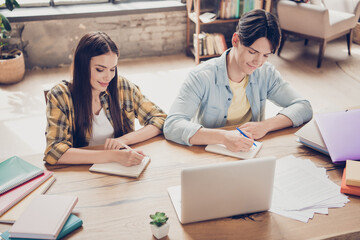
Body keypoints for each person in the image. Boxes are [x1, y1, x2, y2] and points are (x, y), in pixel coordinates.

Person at [163, 9, 312, 152]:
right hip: (209, 152)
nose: (258, 62)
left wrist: (265, 125)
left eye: (266, 55)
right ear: (235, 40)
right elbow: (172, 125)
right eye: (252, 52)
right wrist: (224, 137)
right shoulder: (201, 76)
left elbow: (303, 106)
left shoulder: (266, 72)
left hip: (248, 151)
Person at [44, 31, 166, 166]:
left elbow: (161, 119)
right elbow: (54, 152)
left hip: (120, 167)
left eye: (112, 69)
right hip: (82, 172)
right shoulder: (61, 95)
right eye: (100, 70)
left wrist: (123, 140)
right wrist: (113, 156)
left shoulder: (121, 87)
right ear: (82, 67)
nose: (108, 77)